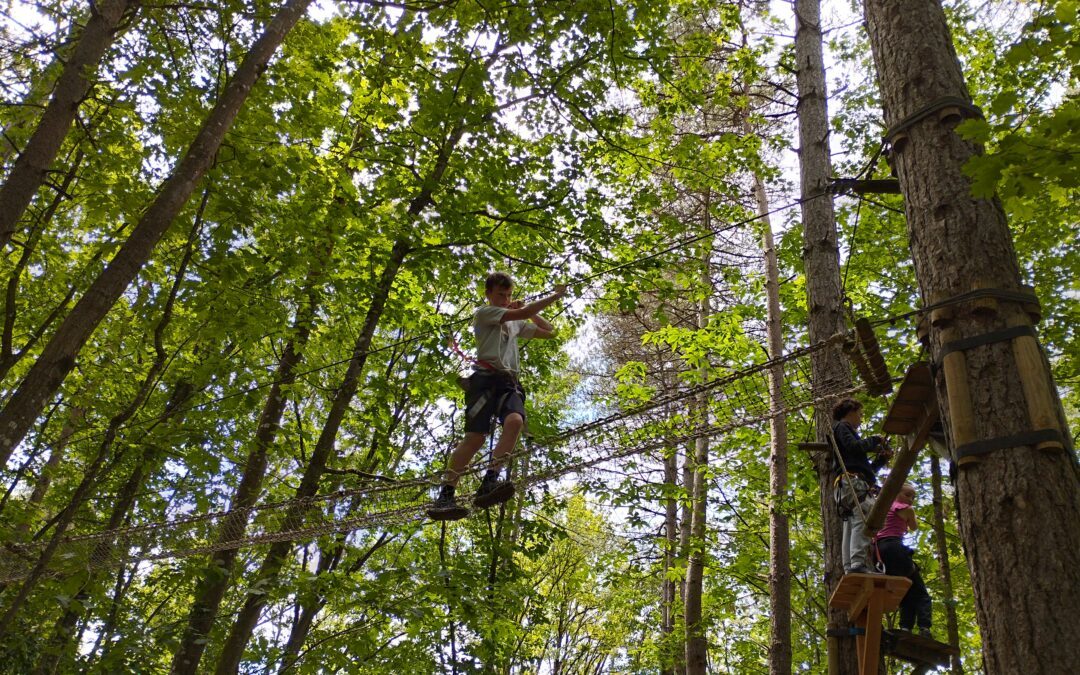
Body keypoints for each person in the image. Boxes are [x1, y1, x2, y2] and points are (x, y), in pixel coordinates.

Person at [427, 272, 566, 520]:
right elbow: (519, 315)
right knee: (475, 439)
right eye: (500, 294)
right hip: (484, 381)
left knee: (515, 422)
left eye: (509, 295)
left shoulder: (515, 323)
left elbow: (550, 331)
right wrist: (555, 296)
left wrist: (530, 310)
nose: (505, 299)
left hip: (509, 382)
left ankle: (490, 481)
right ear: (488, 294)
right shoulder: (485, 313)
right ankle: (446, 495)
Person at [831, 397, 892, 574]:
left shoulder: (844, 432)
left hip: (850, 483)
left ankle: (850, 566)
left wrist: (881, 460)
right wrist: (874, 440)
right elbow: (854, 447)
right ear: (850, 412)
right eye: (859, 413)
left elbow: (865, 469)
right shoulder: (842, 427)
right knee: (863, 518)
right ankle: (856, 563)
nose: (861, 417)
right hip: (851, 482)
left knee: (851, 523)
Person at [876, 483, 933, 638]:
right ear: (895, 493)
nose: (910, 500)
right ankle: (924, 628)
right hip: (895, 548)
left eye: (913, 497)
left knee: (906, 590)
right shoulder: (906, 509)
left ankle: (905, 628)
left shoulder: (881, 509)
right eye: (907, 495)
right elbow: (914, 527)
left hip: (880, 552)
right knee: (921, 593)